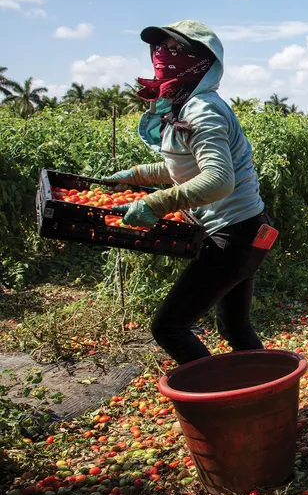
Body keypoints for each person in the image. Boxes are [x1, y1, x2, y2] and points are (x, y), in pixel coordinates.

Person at [104, 20, 271, 365]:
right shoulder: (186, 107)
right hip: (249, 228)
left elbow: (218, 180)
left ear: (203, 60)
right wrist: (137, 176)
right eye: (161, 47)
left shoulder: (203, 109)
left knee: (169, 328)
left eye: (177, 49)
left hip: (234, 234)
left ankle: (219, 403)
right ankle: (265, 397)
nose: (164, 55)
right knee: (235, 327)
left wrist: (159, 201)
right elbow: (187, 168)